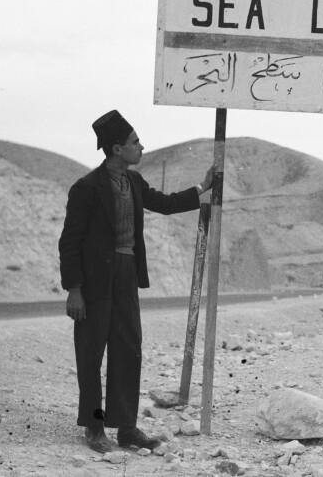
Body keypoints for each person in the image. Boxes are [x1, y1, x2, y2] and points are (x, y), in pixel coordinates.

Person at [58, 109, 214, 453]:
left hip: (126, 274)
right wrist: (74, 290)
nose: (141, 147)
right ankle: (95, 428)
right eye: (135, 141)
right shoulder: (86, 188)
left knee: (128, 348)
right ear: (116, 148)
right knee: (91, 352)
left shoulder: (134, 182)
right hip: (94, 281)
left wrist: (202, 187)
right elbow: (69, 242)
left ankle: (127, 428)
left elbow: (166, 203)